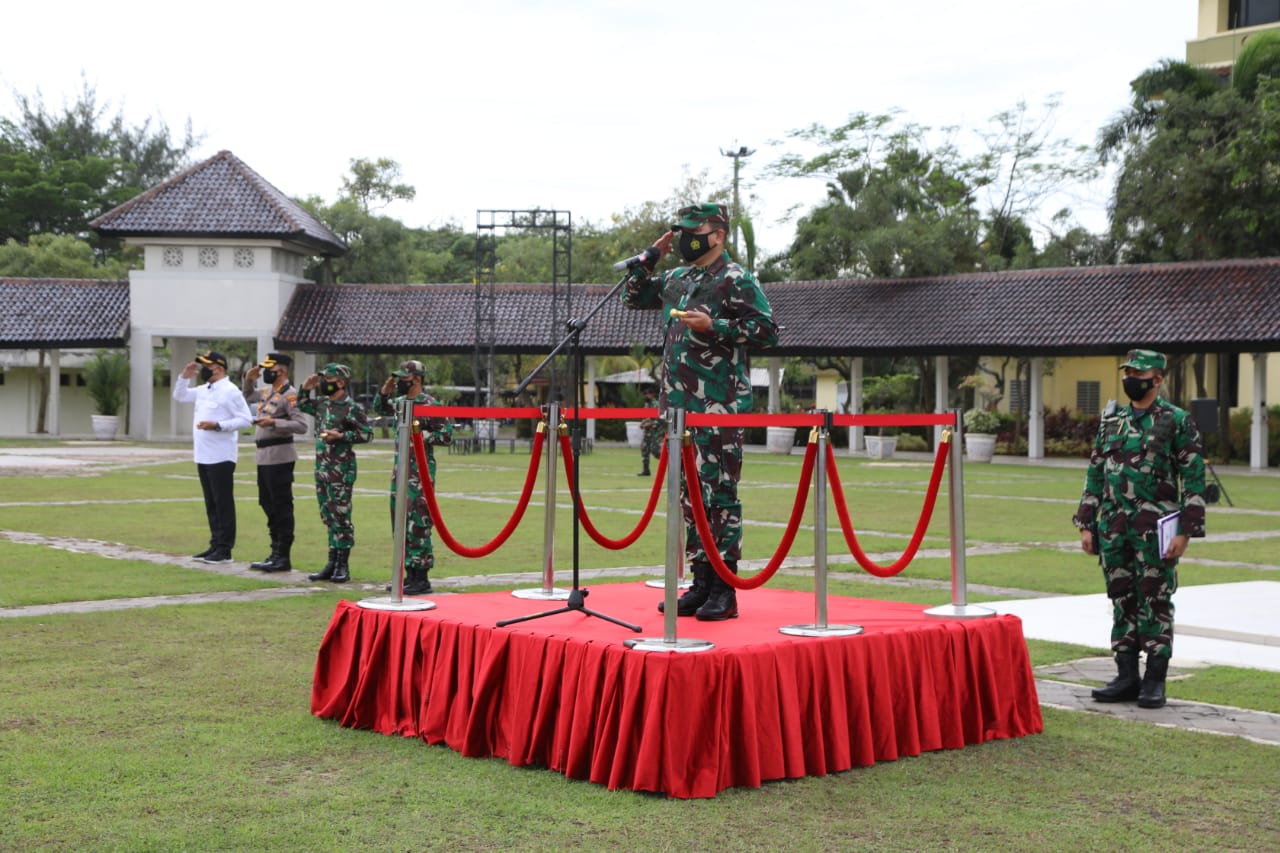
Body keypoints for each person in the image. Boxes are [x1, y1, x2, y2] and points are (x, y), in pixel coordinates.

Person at [621, 202, 779, 621]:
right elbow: (633, 297)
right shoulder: (676, 278)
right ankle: (701, 581)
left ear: (719, 234)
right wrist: (648, 258)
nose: (689, 238)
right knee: (689, 498)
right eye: (683, 231)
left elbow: (767, 330)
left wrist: (717, 328)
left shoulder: (736, 279)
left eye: (696, 230)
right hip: (677, 410)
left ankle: (724, 589)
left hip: (719, 406)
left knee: (719, 495)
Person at [1073, 349, 1207, 709]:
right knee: (1121, 598)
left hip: (1156, 528)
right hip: (1114, 526)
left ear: (1158, 379)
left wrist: (1186, 531)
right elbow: (1096, 471)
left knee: (1154, 598)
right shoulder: (1112, 420)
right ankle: (1126, 676)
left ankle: (1154, 680)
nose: (1131, 377)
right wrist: (1087, 522)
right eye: (1128, 370)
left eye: (1139, 372)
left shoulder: (1177, 421)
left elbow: (1193, 478)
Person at [373, 359, 453, 596]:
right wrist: (385, 391)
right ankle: (408, 574)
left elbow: (446, 435)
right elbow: (379, 408)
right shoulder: (399, 402)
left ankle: (422, 577)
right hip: (400, 473)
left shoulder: (429, 404)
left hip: (420, 474)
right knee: (400, 524)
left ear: (416, 379)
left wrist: (421, 437)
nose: (398, 382)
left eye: (403, 378)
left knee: (419, 523)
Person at [172, 351, 254, 563]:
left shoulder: (230, 391)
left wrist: (218, 425)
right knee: (211, 503)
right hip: (203, 454)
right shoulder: (204, 390)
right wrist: (184, 377)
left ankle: (225, 549)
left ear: (219, 368)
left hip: (221, 455)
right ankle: (215, 544)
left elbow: (245, 419)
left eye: (207, 365)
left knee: (223, 502)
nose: (203, 369)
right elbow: (179, 396)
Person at [296, 363, 373, 583]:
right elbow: (301, 404)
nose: (322, 384)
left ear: (340, 382)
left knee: (341, 516)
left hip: (341, 470)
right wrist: (305, 388)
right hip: (322, 469)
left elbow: (367, 434)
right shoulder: (321, 403)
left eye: (326, 380)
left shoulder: (352, 408)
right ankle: (331, 562)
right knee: (328, 516)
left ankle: (342, 564)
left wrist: (341, 437)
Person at [242, 353, 308, 573]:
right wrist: (249, 379)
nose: (267, 372)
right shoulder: (267, 392)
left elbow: (301, 425)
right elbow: (248, 395)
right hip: (263, 456)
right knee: (267, 503)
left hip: (280, 455)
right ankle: (274, 551)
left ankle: (283, 555)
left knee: (281, 506)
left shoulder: (290, 395)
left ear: (283, 371)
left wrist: (274, 422)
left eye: (271, 368)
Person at [637, 386, 662, 477]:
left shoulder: (656, 404)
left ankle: (668, 463)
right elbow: (646, 416)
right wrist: (643, 423)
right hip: (647, 432)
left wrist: (650, 424)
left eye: (647, 394)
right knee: (644, 449)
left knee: (655, 450)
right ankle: (646, 470)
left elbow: (659, 419)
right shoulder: (647, 404)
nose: (645, 396)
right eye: (645, 394)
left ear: (651, 394)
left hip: (655, 432)